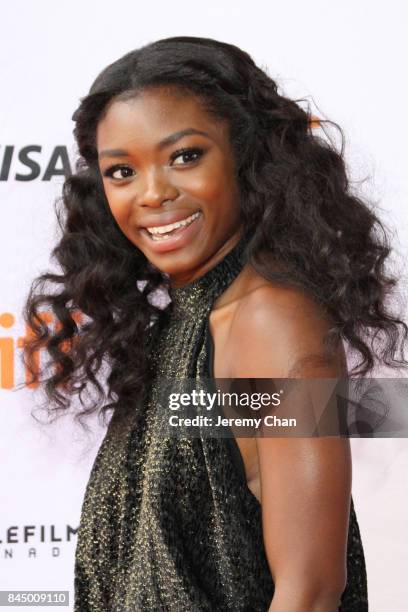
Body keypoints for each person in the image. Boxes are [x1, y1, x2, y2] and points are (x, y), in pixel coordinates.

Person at [22, 36, 407, 611]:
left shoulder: (270, 320)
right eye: (122, 170)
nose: (153, 194)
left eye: (185, 156)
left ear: (248, 157)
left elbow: (312, 590)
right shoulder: (187, 323)